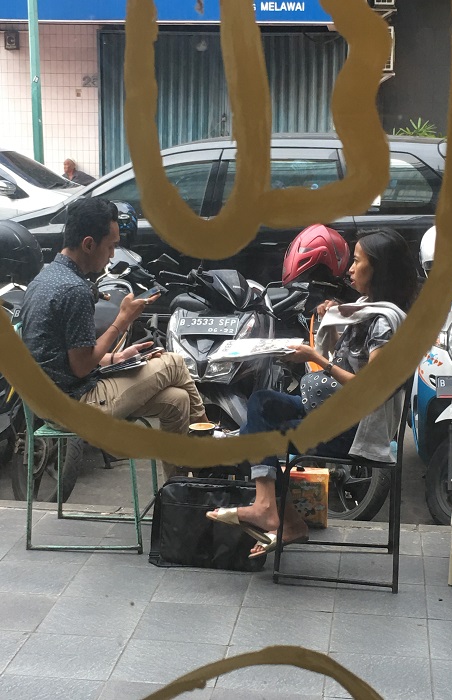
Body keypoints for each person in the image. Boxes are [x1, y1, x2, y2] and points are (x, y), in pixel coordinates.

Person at [207, 227, 418, 558]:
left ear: (378, 269)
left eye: (357, 261)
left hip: (349, 431)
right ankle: (278, 515)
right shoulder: (367, 308)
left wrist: (316, 359)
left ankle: (275, 513)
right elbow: (346, 359)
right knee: (261, 403)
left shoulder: (385, 324)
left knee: (257, 435)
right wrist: (331, 320)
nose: (350, 268)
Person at [20, 197, 207, 480]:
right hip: (75, 406)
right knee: (174, 364)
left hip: (47, 402)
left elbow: (64, 356)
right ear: (88, 244)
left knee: (177, 400)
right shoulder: (74, 290)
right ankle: (209, 440)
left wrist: (116, 358)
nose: (111, 255)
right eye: (110, 246)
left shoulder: (45, 278)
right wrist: (123, 319)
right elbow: (81, 367)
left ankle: (178, 488)